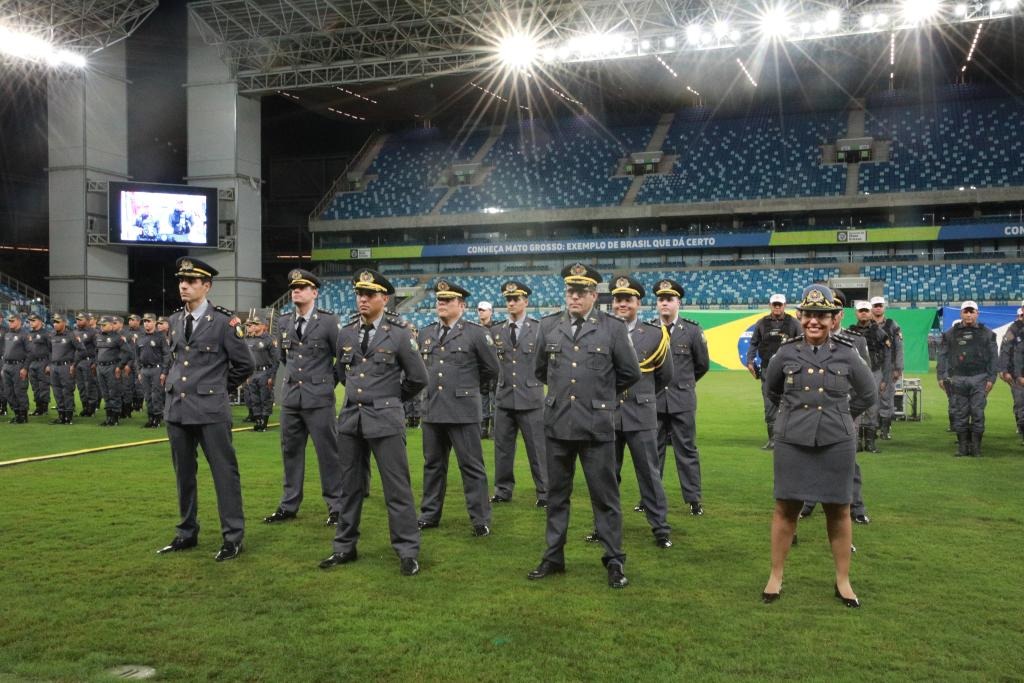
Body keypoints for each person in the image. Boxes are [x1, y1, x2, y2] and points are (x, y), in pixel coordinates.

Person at [760, 284, 877, 608]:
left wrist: (840, 416)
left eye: (822, 316)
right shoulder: (785, 352)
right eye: (810, 315)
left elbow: (869, 395)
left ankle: (843, 581)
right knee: (786, 508)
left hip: (836, 442)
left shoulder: (847, 352)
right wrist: (793, 416)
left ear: (834, 317)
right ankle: (776, 575)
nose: (815, 321)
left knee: (839, 510)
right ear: (800, 316)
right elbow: (772, 391)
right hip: (792, 441)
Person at [527, 263, 641, 589]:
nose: (574, 297)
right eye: (570, 291)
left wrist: (602, 395)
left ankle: (614, 561)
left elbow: (630, 373)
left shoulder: (612, 328)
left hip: (596, 426)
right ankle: (553, 558)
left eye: (581, 292)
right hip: (558, 424)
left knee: (605, 498)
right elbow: (540, 371)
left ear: (593, 295)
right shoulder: (549, 326)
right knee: (556, 496)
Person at [319, 269, 428, 576]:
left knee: (397, 489)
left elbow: (419, 378)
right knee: (349, 489)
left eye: (369, 295)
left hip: (385, 419)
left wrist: (391, 399)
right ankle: (344, 547)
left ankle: (407, 551)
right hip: (352, 420)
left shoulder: (400, 332)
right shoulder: (347, 332)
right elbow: (342, 372)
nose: (362, 299)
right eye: (359, 294)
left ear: (384, 298)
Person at [157, 256, 253, 561]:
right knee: (183, 476)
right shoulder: (173, 321)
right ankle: (187, 532)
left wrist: (216, 390)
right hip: (177, 409)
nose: (184, 286)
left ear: (206, 286)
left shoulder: (225, 322)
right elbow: (176, 361)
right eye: (181, 281)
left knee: (225, 474)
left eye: (192, 281)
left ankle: (233, 537)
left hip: (210, 411)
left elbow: (244, 364)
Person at [594, 275, 673, 548]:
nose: (621, 304)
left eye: (627, 299)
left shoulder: (654, 334)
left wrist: (642, 398)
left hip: (641, 414)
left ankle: (660, 528)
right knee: (606, 475)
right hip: (608, 415)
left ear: (638, 302)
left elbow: (665, 376)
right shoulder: (600, 330)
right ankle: (603, 527)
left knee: (649, 474)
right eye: (617, 299)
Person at [417, 279, 499, 536]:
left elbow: (492, 369)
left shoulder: (475, 333)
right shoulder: (426, 333)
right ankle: (429, 514)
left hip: (463, 410)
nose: (441, 303)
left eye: (447, 300)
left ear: (461, 305)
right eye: (439, 299)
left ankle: (480, 519)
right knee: (433, 465)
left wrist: (467, 388)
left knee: (472, 466)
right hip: (432, 409)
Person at [264, 269, 344, 527]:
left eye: (302, 287)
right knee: (290, 452)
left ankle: (336, 506)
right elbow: (286, 359)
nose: (296, 291)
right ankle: (289, 504)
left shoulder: (329, 322)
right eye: (294, 287)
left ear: (314, 292)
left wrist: (326, 382)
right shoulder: (285, 322)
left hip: (319, 399)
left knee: (328, 454)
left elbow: (341, 358)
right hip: (291, 399)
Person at [489, 281, 548, 508]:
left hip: (531, 398)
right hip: (504, 398)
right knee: (502, 449)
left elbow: (546, 363)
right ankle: (503, 490)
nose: (511, 303)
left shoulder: (539, 329)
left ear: (526, 301)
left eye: (516, 299)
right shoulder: (496, 330)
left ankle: (545, 492)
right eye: (508, 299)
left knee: (538, 450)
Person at [654, 279, 710, 516]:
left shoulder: (692, 330)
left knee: (686, 451)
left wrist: (683, 385)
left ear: (678, 302)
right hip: (654, 401)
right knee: (652, 454)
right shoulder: (648, 330)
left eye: (669, 299)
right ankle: (650, 498)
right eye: (661, 299)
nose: (664, 303)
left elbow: (702, 365)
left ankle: (693, 499)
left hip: (682, 401)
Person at [937, 301, 997, 457]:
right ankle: (962, 447)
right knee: (960, 413)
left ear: (977, 313)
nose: (969, 315)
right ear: (961, 313)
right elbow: (942, 356)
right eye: (966, 312)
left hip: (980, 378)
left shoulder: (987, 333)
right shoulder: (950, 334)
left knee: (977, 412)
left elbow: (993, 358)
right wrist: (941, 376)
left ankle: (976, 447)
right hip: (958, 378)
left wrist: (991, 378)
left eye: (972, 312)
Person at [746, 294, 801, 449]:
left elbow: (803, 343)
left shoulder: (794, 323)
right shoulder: (761, 323)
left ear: (785, 305)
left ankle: (791, 439)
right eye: (774, 304)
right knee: (769, 404)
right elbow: (754, 343)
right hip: (767, 369)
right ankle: (773, 440)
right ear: (770, 305)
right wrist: (750, 361)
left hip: (790, 371)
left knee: (792, 403)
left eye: (780, 304)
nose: (777, 307)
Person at [847, 301, 892, 453]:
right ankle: (857, 441)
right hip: (855, 373)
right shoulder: (849, 332)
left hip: (874, 371)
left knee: (873, 407)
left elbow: (887, 356)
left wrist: (886, 378)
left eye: (866, 310)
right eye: (861, 311)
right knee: (856, 405)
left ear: (871, 312)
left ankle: (871, 442)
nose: (864, 313)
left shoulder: (879, 331)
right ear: (856, 313)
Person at [870, 296, 903, 440]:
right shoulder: (866, 325)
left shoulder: (892, 325)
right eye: (875, 305)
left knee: (886, 398)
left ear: (884, 307)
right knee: (872, 399)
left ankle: (885, 429)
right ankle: (873, 427)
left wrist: (898, 368)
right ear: (871, 308)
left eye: (880, 305)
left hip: (888, 367)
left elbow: (899, 347)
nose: (878, 308)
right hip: (871, 367)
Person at [46, 313, 83, 425]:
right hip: (54, 367)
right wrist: (49, 364)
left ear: (64, 323)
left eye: (57, 322)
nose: (55, 324)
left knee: (67, 392)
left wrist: (74, 364)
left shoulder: (71, 335)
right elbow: (49, 351)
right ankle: (61, 415)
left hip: (66, 367)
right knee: (57, 392)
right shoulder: (51, 335)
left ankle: (68, 417)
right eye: (54, 322)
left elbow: (81, 350)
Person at [94, 316, 131, 426]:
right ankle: (108, 417)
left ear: (111, 325)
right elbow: (96, 352)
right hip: (100, 368)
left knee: (114, 392)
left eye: (104, 325)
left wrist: (120, 366)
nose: (101, 327)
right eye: (100, 325)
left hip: (112, 367)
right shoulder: (99, 336)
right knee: (105, 393)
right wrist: (96, 363)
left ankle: (115, 418)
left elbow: (128, 352)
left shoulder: (118, 337)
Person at [245, 315, 278, 432]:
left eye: (257, 324)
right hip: (253, 372)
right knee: (254, 399)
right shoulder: (251, 339)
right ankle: (258, 420)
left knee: (265, 398)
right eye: (254, 324)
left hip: (265, 372)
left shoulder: (269, 339)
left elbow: (276, 360)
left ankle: (264, 422)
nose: (254, 326)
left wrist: (272, 377)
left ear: (264, 326)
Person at [136, 313, 169, 428]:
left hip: (156, 369)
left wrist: (164, 372)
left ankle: (157, 418)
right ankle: (150, 418)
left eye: (149, 321)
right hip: (144, 370)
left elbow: (166, 355)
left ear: (155, 322)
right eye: (145, 321)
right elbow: (137, 356)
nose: (146, 323)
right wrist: (139, 370)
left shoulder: (160, 337)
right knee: (147, 395)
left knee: (156, 395)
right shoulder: (140, 337)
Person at [997, 304, 1024, 441]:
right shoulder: (1013, 329)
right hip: (1016, 373)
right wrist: (1003, 370)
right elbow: (1005, 349)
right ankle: (1021, 426)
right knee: (1020, 401)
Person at [2, 313, 32, 424]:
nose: (10, 323)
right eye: (9, 321)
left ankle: (23, 416)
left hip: (18, 366)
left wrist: (25, 368)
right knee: (8, 392)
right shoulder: (7, 334)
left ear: (19, 321)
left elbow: (30, 352)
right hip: (7, 366)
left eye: (12, 321)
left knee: (19, 391)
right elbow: (5, 351)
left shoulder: (24, 335)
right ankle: (17, 413)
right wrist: (3, 367)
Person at [477, 300, 498, 439]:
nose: (481, 312)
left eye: (483, 310)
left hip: (495, 371)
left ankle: (495, 430)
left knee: (495, 401)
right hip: (480, 371)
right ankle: (483, 429)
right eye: (479, 310)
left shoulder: (497, 329)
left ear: (490, 311)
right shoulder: (475, 329)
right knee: (482, 401)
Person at [26, 313, 51, 416]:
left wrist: (49, 364)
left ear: (40, 321)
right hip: (32, 363)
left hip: (43, 362)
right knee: (35, 387)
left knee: (43, 385)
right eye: (30, 321)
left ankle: (44, 408)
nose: (31, 322)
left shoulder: (46, 334)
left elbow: (51, 350)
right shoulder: (29, 334)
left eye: (33, 320)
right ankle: (38, 406)